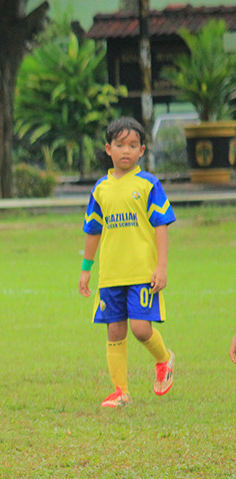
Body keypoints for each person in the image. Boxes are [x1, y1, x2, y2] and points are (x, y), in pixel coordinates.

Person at [79, 117, 176, 408]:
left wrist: (161, 266)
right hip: (110, 274)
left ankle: (164, 358)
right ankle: (120, 391)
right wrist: (86, 269)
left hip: (142, 273)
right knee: (114, 329)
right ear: (108, 148)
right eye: (120, 145)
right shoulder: (100, 189)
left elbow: (161, 225)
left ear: (142, 150)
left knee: (141, 329)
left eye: (133, 145)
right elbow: (93, 230)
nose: (126, 151)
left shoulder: (148, 184)